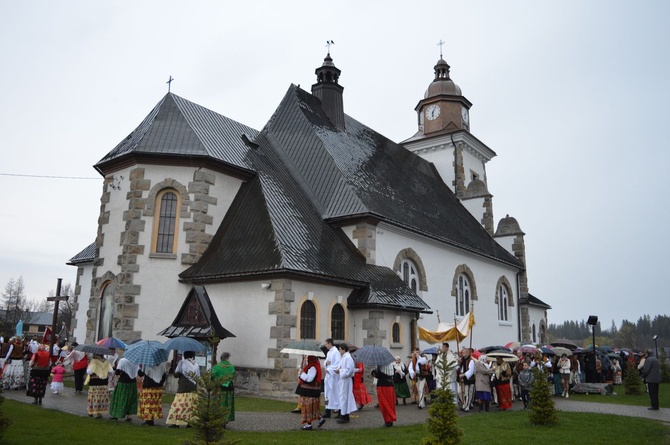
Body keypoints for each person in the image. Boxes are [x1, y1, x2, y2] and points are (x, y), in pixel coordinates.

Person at [166, 351, 201, 428]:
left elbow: (176, 375)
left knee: (179, 405)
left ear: (184, 356)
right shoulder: (196, 364)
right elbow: (198, 376)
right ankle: (191, 423)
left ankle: (176, 422)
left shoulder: (182, 363)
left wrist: (174, 369)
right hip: (193, 388)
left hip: (183, 387)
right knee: (191, 406)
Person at [295, 355, 326, 430]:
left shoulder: (313, 367)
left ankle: (308, 424)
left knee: (307, 407)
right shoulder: (313, 366)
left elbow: (309, 379)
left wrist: (302, 374)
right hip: (311, 391)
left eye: (308, 359)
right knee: (313, 408)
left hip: (309, 392)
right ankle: (320, 419)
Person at [109, 357, 139, 422]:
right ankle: (129, 416)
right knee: (131, 399)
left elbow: (117, 372)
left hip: (123, 382)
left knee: (120, 398)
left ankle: (116, 415)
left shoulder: (122, 360)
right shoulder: (135, 360)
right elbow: (138, 371)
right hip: (132, 382)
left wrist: (116, 369)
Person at [334, 343, 357, 423]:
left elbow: (350, 370)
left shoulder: (348, 358)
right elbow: (341, 367)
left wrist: (340, 371)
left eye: (340, 349)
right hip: (342, 380)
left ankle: (345, 416)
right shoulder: (343, 357)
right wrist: (338, 370)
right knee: (342, 397)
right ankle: (343, 414)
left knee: (345, 397)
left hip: (346, 380)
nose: (339, 351)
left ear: (344, 349)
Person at [85, 353, 113, 418]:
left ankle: (91, 411)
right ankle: (99, 413)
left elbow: (89, 372)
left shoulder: (94, 361)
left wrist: (90, 366)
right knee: (101, 398)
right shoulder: (106, 361)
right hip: (103, 382)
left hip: (94, 382)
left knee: (93, 397)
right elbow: (111, 371)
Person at [212, 351, 235, 423]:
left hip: (219, 387)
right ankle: (226, 418)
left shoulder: (216, 366)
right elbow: (232, 375)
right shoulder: (231, 366)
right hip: (228, 388)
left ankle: (217, 418)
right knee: (227, 404)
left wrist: (217, 380)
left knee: (218, 403)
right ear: (227, 358)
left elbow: (212, 375)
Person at [372, 362, 396, 427]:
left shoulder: (380, 365)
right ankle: (390, 420)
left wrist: (374, 372)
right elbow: (394, 375)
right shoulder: (392, 366)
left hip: (382, 386)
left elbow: (378, 375)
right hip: (390, 386)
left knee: (383, 403)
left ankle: (388, 420)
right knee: (390, 403)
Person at [323, 338, 340, 418]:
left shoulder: (336, 352)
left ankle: (339, 410)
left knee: (335, 393)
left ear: (330, 343)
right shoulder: (329, 352)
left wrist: (329, 369)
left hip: (333, 377)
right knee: (327, 394)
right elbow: (325, 362)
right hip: (328, 376)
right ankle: (327, 410)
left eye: (326, 344)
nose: (325, 345)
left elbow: (337, 364)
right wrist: (326, 364)